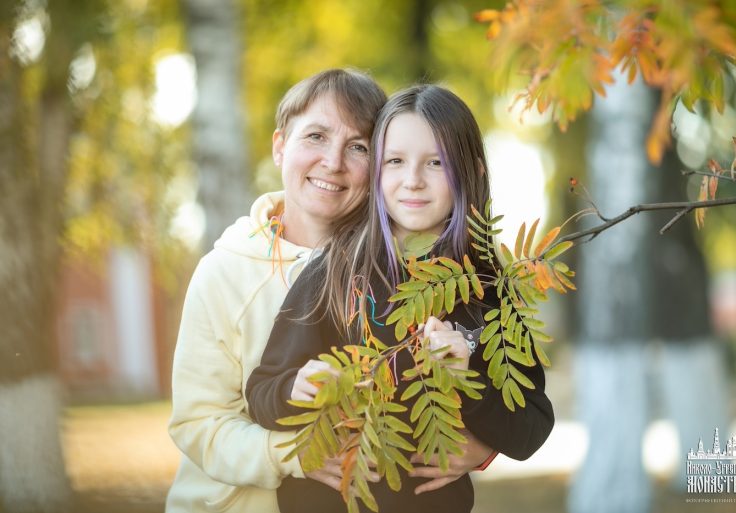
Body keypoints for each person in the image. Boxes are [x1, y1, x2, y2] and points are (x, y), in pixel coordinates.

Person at [166, 70, 495, 513]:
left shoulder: (417, 264)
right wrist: (293, 454)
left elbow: (483, 372)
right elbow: (197, 423)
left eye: (358, 146)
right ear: (280, 146)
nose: (333, 161)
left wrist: (483, 446)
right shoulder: (222, 272)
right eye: (316, 136)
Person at [246, 85, 555, 513]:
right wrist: (293, 390)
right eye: (395, 161)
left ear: (472, 173)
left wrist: (471, 390)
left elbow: (532, 428)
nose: (413, 179)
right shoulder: (335, 270)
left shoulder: (489, 290)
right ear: (376, 171)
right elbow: (261, 391)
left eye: (436, 163)